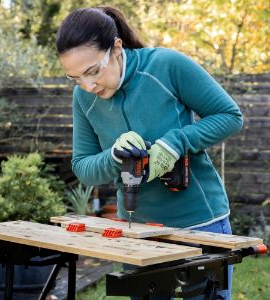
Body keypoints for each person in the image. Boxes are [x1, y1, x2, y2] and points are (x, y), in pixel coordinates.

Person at [56, 5, 243, 300]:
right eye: (76, 78)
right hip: (138, 231)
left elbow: (230, 115)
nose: (88, 85)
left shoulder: (165, 66)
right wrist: (113, 156)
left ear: (116, 48)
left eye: (93, 71)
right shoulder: (84, 98)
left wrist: (176, 141)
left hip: (199, 222)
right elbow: (82, 166)